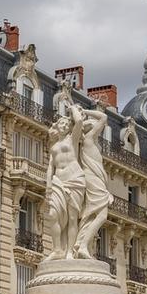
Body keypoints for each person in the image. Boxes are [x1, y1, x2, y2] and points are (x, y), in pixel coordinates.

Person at [45, 105, 86, 260]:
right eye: (60, 123)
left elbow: (80, 121)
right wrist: (48, 185)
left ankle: (70, 251)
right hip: (58, 182)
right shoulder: (53, 146)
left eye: (66, 124)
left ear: (69, 128)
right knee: (53, 215)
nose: (63, 126)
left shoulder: (73, 139)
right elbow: (50, 166)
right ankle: (57, 249)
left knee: (73, 218)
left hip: (75, 179)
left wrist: (73, 108)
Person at [73, 109, 114, 259]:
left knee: (89, 215)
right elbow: (103, 117)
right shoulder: (89, 139)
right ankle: (83, 245)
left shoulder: (89, 143)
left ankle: (79, 243)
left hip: (94, 179)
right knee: (102, 215)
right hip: (93, 179)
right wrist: (85, 111)